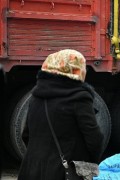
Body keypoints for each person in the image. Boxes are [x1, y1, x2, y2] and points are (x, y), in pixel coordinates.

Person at [18, 49, 104, 180]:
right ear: (76, 70)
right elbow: (94, 138)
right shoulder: (79, 98)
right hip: (62, 172)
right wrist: (89, 162)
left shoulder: (36, 96)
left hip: (31, 168)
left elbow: (26, 135)